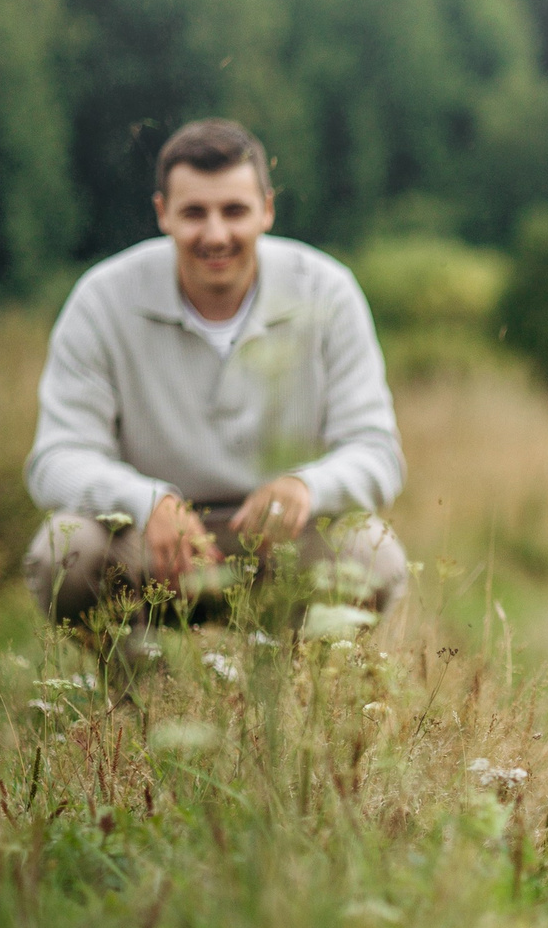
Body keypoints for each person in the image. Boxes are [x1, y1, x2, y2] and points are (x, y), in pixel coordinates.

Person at [22, 118, 408, 625]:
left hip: (283, 542)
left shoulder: (327, 292)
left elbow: (378, 453)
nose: (216, 234)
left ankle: (302, 673)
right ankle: (138, 676)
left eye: (234, 211)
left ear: (267, 209)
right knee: (62, 551)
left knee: (372, 553)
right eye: (194, 213)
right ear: (162, 213)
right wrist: (147, 501)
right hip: (148, 542)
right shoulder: (102, 299)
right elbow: (55, 459)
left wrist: (305, 487)